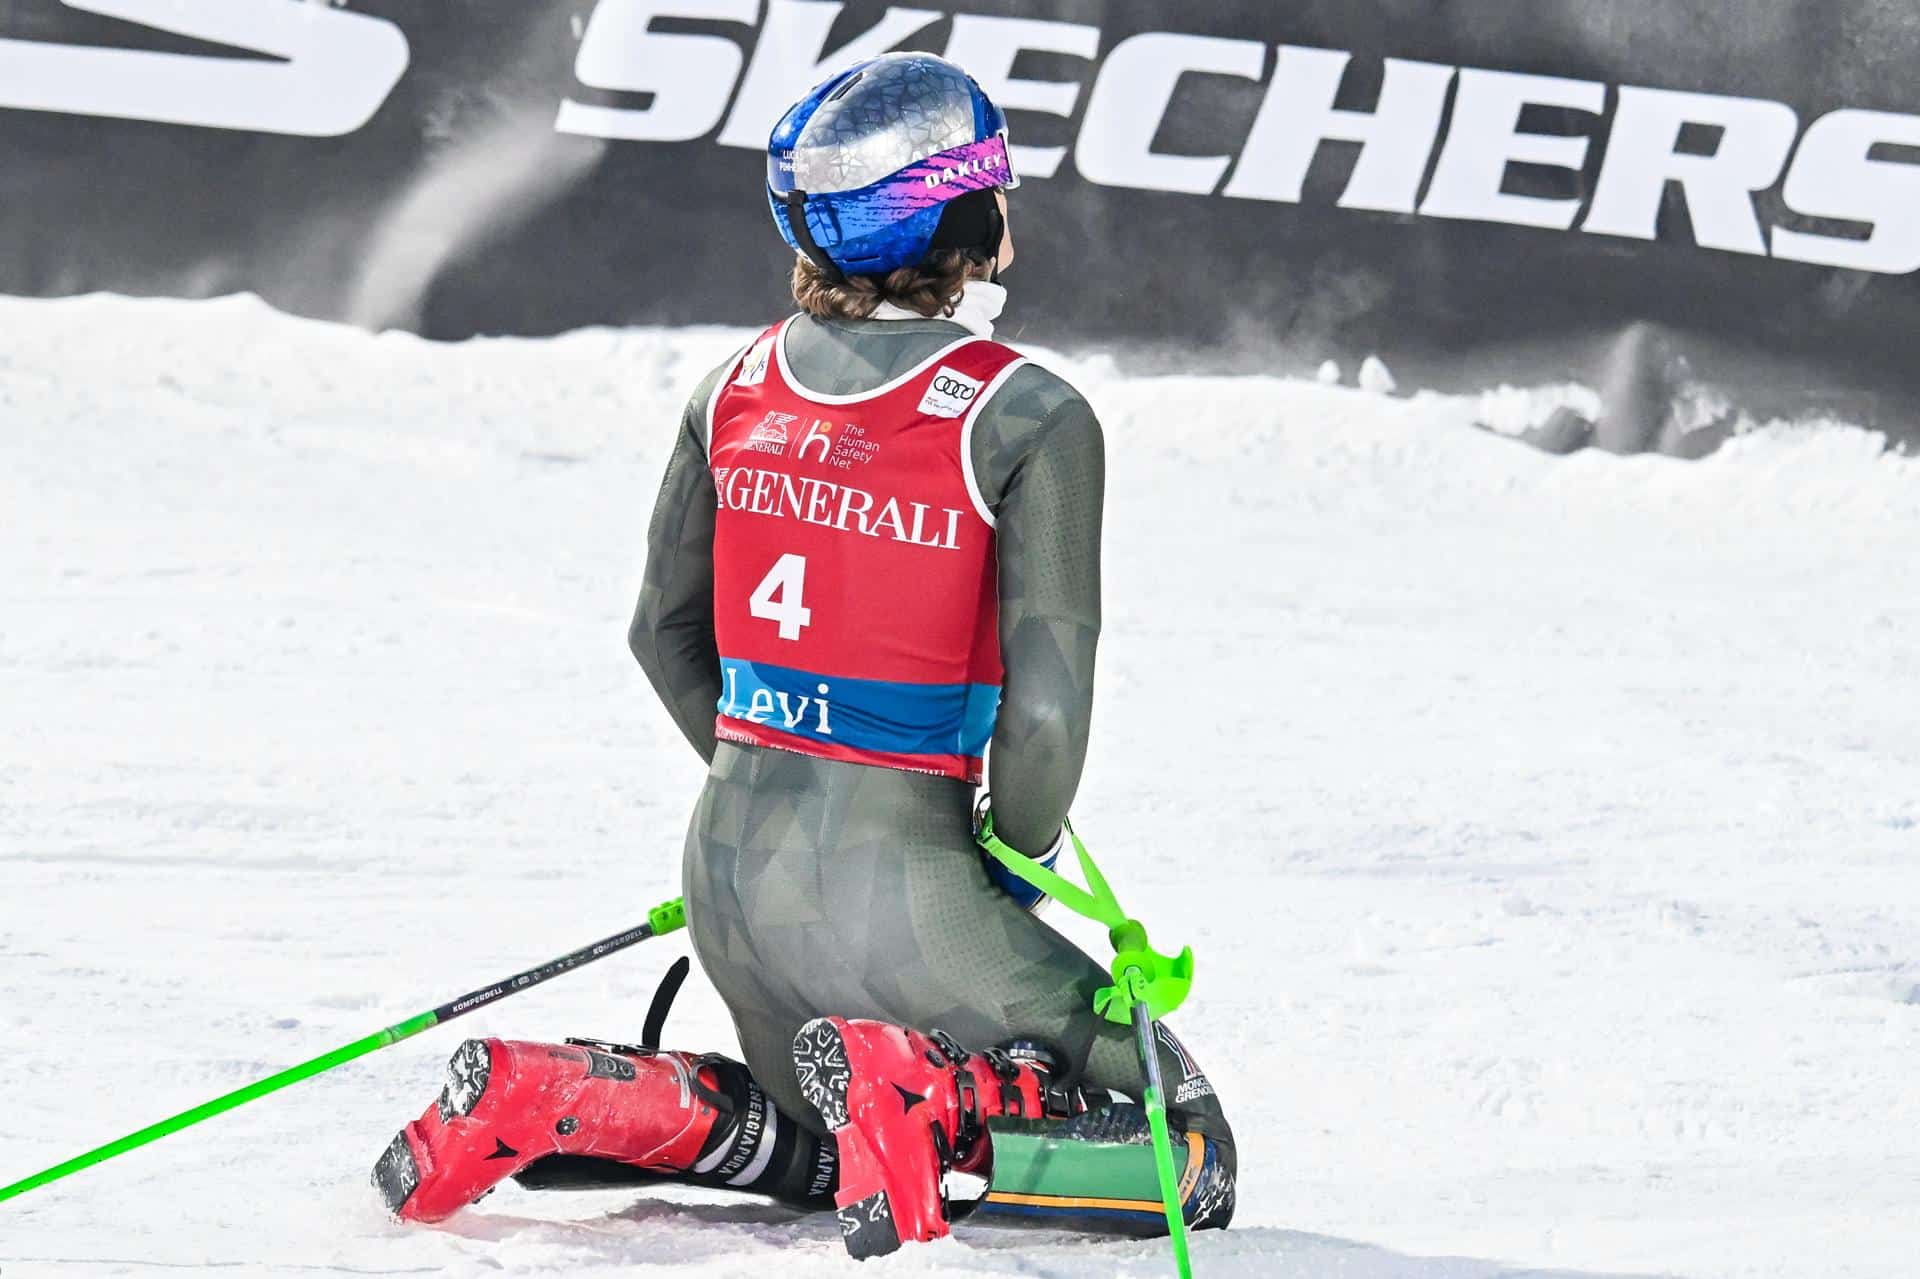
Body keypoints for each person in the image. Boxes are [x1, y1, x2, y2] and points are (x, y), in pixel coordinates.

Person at [371, 52, 1234, 1260]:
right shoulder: (1031, 413)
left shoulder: (731, 386)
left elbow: (661, 634)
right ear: (959, 220)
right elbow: (1044, 715)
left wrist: (773, 773)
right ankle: (940, 1103)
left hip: (733, 882)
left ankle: (565, 1095)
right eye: (997, 190)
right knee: (1189, 1148)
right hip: (909, 895)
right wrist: (1015, 861)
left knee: (830, 1147)